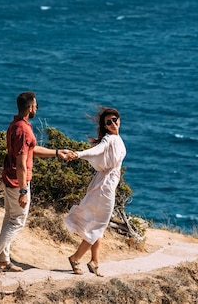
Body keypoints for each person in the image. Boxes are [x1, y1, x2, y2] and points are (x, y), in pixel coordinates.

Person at [0, 91, 71, 273]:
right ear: (30, 108)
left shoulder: (16, 125)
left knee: (9, 220)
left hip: (10, 178)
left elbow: (31, 150)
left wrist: (56, 152)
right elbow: (22, 163)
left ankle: (4, 261)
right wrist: (23, 190)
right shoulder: (23, 130)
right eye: (36, 105)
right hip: (17, 182)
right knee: (17, 222)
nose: (37, 107)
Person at [64, 107, 126, 276]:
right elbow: (96, 151)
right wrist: (78, 154)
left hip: (106, 184)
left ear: (119, 120)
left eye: (115, 120)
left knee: (99, 224)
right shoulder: (109, 139)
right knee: (99, 224)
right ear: (105, 126)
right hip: (105, 187)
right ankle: (76, 258)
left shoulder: (116, 138)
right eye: (109, 122)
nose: (113, 123)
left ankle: (94, 262)